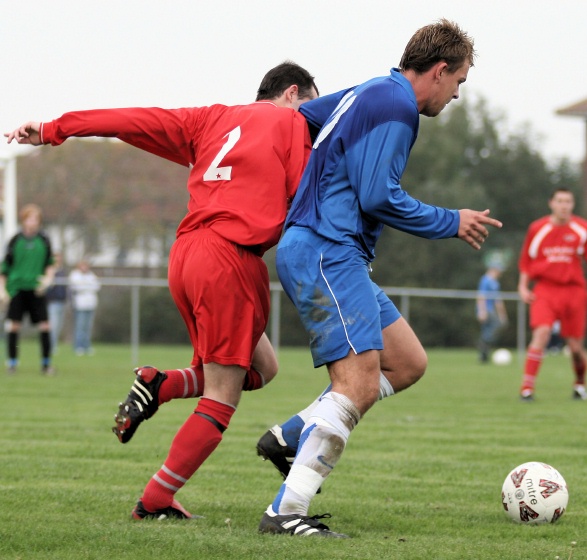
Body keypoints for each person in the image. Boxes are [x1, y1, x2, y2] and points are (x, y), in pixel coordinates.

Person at [5, 61, 319, 520]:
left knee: (263, 366)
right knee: (221, 397)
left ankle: (159, 383)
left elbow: (132, 121)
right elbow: (306, 197)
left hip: (187, 254)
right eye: (313, 105)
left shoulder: (210, 118)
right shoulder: (292, 123)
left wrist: (56, 129)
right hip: (230, 260)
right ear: (293, 93)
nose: (313, 119)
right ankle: (155, 500)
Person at [255, 19, 502, 538]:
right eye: (458, 82)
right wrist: (450, 221)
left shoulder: (372, 89)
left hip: (326, 247)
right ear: (439, 71)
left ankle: (291, 435)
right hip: (328, 249)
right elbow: (378, 196)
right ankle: (286, 512)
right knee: (358, 385)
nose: (456, 95)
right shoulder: (397, 107)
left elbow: (298, 117)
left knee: (408, 361)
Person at [517, 187, 587, 401]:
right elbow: (526, 262)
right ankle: (527, 389)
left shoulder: (581, 229)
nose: (564, 205)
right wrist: (522, 286)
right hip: (545, 289)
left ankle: (579, 384)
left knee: (575, 348)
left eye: (568, 201)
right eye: (560, 201)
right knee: (542, 333)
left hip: (574, 290)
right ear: (552, 203)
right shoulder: (537, 228)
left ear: (572, 205)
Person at [0, 204, 55, 374]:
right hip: (17, 288)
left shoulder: (44, 240)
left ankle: (46, 365)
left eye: (36, 219)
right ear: (23, 220)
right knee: (13, 326)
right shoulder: (15, 240)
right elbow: (4, 268)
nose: (33, 222)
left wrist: (47, 280)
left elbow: (50, 265)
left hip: (36, 289)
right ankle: (12, 363)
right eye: (29, 219)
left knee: (45, 326)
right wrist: (2, 290)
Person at [476, 261, 508, 363]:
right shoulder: (485, 280)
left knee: (495, 327)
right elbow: (481, 296)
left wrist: (502, 314)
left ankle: (484, 349)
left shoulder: (495, 282)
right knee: (491, 329)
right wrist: (482, 311)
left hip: (492, 310)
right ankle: (484, 348)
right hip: (487, 310)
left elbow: (498, 301)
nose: (501, 273)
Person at [69, 259, 100, 355]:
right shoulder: (74, 275)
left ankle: (86, 345)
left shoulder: (91, 275)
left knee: (88, 327)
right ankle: (78, 346)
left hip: (90, 304)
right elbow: (77, 287)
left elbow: (97, 286)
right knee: (80, 326)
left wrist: (86, 286)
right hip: (80, 305)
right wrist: (87, 286)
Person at [46, 252, 67, 353]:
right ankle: (50, 346)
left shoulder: (62, 270)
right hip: (52, 302)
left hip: (61, 301)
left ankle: (54, 344)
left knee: (58, 326)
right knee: (53, 325)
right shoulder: (50, 270)